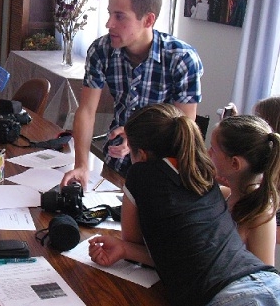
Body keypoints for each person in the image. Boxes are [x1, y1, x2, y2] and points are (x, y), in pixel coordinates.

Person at [88, 104, 280, 306]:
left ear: (141, 155)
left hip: (231, 297)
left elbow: (134, 239)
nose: (208, 153)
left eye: (213, 150)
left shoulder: (141, 174)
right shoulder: (205, 180)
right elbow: (186, 256)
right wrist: (126, 250)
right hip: (269, 282)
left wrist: (129, 247)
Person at [62, 0, 203, 189]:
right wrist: (81, 164)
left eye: (119, 17)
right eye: (110, 14)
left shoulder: (181, 58)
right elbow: (86, 110)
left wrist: (137, 134)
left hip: (164, 165)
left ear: (148, 20)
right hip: (117, 159)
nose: (109, 24)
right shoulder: (101, 50)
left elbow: (184, 125)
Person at [209, 115, 280, 265]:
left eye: (213, 150)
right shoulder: (225, 194)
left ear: (235, 163)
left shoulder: (260, 214)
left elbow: (265, 275)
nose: (208, 153)